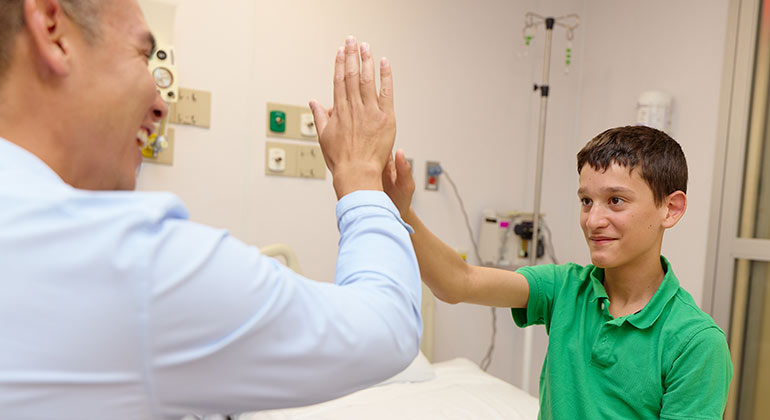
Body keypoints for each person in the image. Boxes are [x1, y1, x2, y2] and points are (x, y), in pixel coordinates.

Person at [0, 0, 421, 419]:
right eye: (142, 55)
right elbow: (387, 327)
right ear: (52, 28)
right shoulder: (130, 262)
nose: (163, 104)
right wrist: (361, 174)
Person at [382, 125, 733, 419]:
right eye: (586, 201)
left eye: (616, 201)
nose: (593, 221)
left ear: (670, 209)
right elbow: (458, 283)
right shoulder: (566, 288)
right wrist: (401, 212)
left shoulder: (696, 343)